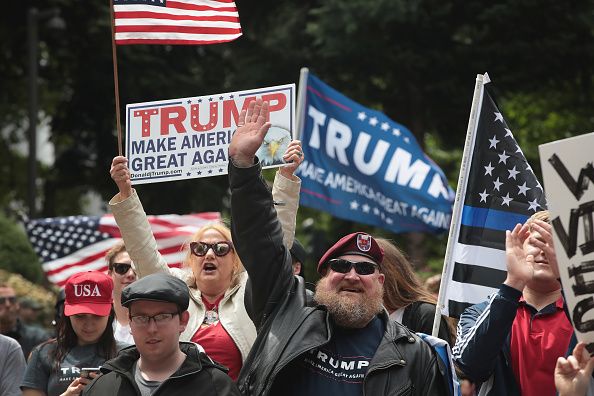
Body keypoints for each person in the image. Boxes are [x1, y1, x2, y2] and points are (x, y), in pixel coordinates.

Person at [228, 99, 447, 395]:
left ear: (380, 281)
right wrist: (243, 166)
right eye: (341, 266)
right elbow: (262, 243)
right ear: (323, 278)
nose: (352, 275)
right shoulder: (287, 311)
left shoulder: (414, 353)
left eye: (365, 268)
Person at [108, 141, 303, 380]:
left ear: (235, 259)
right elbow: (142, 252)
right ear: (191, 258)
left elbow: (274, 248)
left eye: (221, 248)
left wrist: (284, 176)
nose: (209, 255)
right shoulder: (174, 291)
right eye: (200, 249)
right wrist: (126, 193)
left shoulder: (252, 293)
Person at [453, 211, 573, 395]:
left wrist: (569, 281)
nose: (543, 250)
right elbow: (469, 367)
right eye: (535, 242)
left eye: (554, 245)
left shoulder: (583, 314)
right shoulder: (479, 313)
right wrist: (513, 283)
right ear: (520, 249)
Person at [82, 273, 240, 395]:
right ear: (130, 323)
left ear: (183, 321)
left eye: (162, 317)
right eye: (141, 318)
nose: (151, 328)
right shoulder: (104, 387)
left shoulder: (216, 387)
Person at [22, 271, 125, 396]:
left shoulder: (128, 354)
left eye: (97, 316)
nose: (89, 324)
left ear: (110, 313)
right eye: (80, 316)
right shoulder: (43, 353)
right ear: (67, 314)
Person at [376, 238, 454, 345]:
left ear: (387, 273)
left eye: (365, 269)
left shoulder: (425, 315)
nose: (353, 276)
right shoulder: (358, 316)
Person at [0, 282, 51, 358]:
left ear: (17, 305)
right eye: (1, 301)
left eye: (12, 300)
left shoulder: (38, 338)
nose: (8, 305)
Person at [105, 240, 137, 344]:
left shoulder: (156, 323)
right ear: (110, 275)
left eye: (136, 268)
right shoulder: (98, 321)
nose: (131, 274)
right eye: (122, 268)